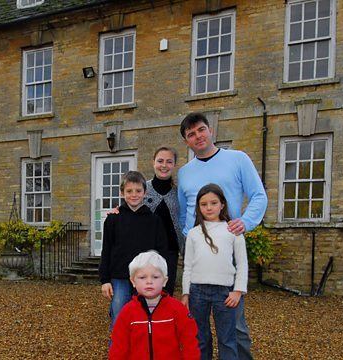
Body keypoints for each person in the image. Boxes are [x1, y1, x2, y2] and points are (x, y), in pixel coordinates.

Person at [177, 112, 267, 360]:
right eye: (191, 134)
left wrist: (245, 223)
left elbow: (259, 195)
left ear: (211, 130)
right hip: (197, 250)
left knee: (234, 324)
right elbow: (184, 210)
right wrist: (188, 239)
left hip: (229, 247)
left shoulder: (237, 159)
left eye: (201, 130)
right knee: (199, 327)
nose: (198, 136)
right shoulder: (185, 172)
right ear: (187, 141)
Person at [181, 184, 248, 360]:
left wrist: (238, 291)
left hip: (225, 293)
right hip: (197, 292)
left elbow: (242, 264)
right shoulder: (194, 233)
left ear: (222, 204)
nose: (209, 208)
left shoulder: (233, 230)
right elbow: (187, 266)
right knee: (200, 338)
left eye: (213, 203)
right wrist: (186, 293)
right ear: (198, 207)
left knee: (227, 339)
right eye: (204, 204)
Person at [99, 171, 168, 329]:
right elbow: (107, 250)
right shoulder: (113, 219)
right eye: (129, 191)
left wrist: (162, 276)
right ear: (122, 193)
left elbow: (161, 251)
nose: (134, 195)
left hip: (146, 277)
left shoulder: (154, 220)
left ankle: (141, 352)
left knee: (144, 318)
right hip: (120, 277)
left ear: (145, 192)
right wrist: (105, 280)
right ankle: (118, 351)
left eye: (138, 191)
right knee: (119, 316)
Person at [110, 250, 200, 359]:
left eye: (155, 277)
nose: (149, 281)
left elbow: (189, 342)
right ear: (133, 281)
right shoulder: (127, 312)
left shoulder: (177, 309)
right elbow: (118, 347)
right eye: (142, 277)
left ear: (164, 281)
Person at [144, 146, 185, 296]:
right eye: (160, 161)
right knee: (144, 292)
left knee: (166, 293)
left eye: (169, 161)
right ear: (153, 162)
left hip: (170, 251)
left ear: (174, 165)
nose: (164, 165)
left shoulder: (179, 192)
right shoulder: (143, 188)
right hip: (145, 250)